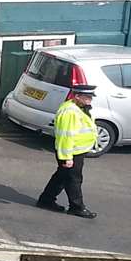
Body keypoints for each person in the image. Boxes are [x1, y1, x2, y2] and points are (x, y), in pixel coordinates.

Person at [36, 84, 98, 218]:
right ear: (77, 96)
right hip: (71, 152)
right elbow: (66, 136)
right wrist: (67, 157)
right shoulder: (70, 112)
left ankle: (46, 200)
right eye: (87, 97)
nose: (90, 100)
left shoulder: (78, 108)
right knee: (74, 179)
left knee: (61, 177)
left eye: (91, 97)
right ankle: (77, 207)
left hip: (76, 151)